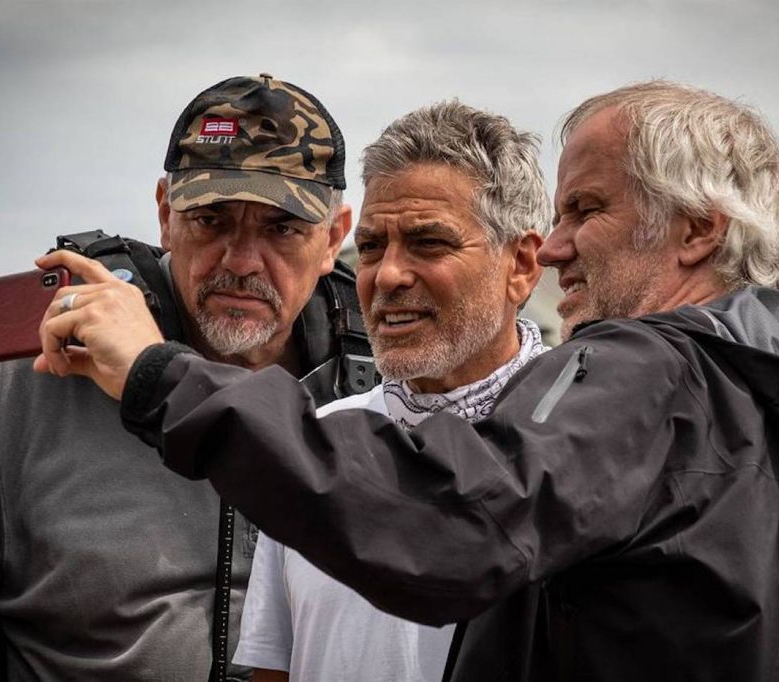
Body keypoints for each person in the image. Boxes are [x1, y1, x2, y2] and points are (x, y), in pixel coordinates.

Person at [36, 81, 779, 681]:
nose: (562, 248)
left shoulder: (651, 373)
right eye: (373, 247)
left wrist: (159, 375)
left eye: (585, 210)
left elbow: (443, 527)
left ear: (695, 231)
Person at [0, 73, 359, 681]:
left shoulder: (380, 381)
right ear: (165, 213)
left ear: (333, 238)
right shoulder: (37, 370)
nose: (240, 262)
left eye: (281, 228)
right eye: (210, 220)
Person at [231, 101, 550, 682]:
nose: (388, 275)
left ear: (522, 265)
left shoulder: (586, 440)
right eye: (373, 247)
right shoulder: (314, 440)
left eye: (429, 243)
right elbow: (273, 670)